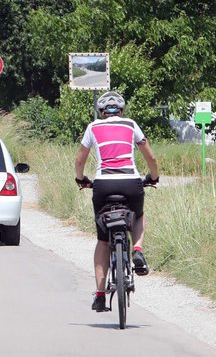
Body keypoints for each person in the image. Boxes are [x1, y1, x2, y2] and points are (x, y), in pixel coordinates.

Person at [74, 90, 159, 313]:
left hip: (103, 185)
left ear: (101, 112)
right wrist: (154, 176)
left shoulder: (93, 127)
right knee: (138, 215)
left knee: (103, 240)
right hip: (131, 182)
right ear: (122, 110)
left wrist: (81, 179)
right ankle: (137, 249)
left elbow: (79, 160)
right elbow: (151, 157)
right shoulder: (131, 125)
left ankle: (100, 296)